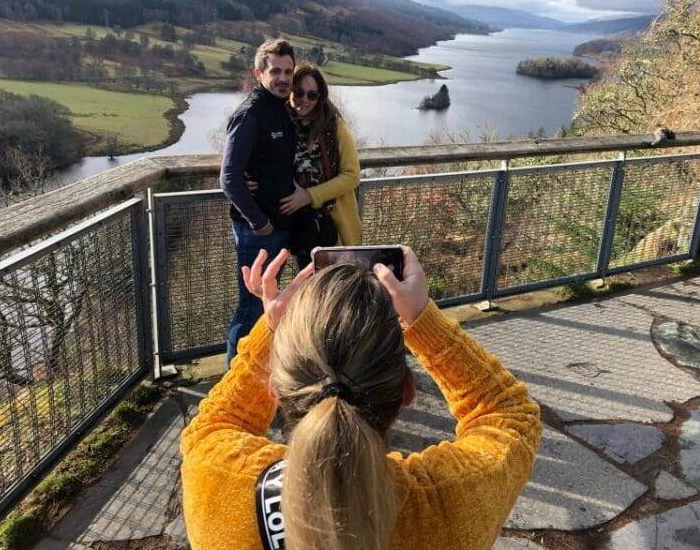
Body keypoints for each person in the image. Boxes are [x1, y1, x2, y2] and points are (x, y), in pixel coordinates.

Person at [180, 246, 542, 550]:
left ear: (273, 389)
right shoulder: (446, 505)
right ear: (407, 391)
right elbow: (510, 416)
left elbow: (217, 422)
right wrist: (420, 320)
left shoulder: (217, 477)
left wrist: (272, 329)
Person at [219, 38, 297, 368]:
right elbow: (229, 177)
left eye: (288, 72)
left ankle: (263, 372)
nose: (283, 78)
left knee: (270, 305)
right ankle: (235, 379)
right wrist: (259, 222)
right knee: (251, 307)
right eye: (275, 71)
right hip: (259, 232)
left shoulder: (279, 110)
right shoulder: (251, 114)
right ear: (259, 73)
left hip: (278, 227)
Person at [251, 63, 362, 267]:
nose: (304, 100)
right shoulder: (279, 122)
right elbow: (253, 153)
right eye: (299, 92)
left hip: (331, 225)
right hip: (292, 224)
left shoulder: (333, 126)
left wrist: (309, 196)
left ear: (321, 97)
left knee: (332, 291)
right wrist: (244, 174)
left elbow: (352, 175)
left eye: (312, 95)